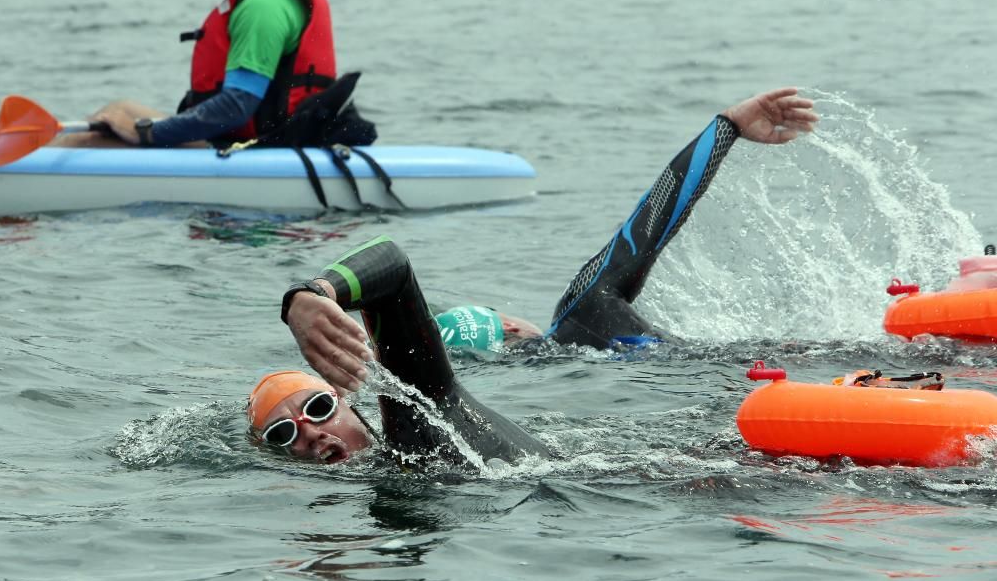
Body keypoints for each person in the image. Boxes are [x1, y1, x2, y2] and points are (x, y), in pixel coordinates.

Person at [250, 87, 819, 465]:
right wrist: (723, 128)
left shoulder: (422, 415)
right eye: (285, 436)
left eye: (319, 409)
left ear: (352, 397)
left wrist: (309, 293)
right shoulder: (583, 320)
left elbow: (393, 266)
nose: (313, 432)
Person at [53, 0, 372, 149]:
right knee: (117, 110)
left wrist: (146, 132)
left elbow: (235, 108)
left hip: (259, 147)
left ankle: (13, 174)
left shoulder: (262, 8)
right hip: (265, 136)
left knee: (91, 140)